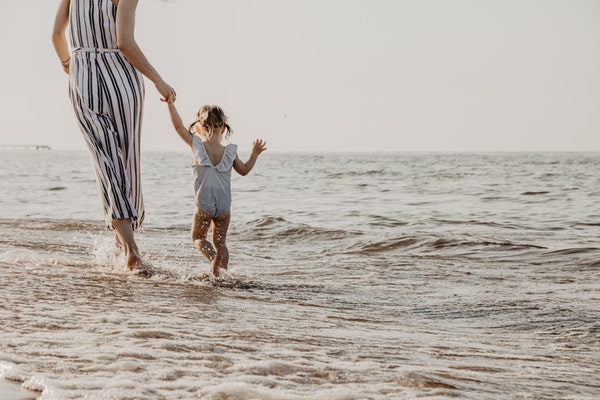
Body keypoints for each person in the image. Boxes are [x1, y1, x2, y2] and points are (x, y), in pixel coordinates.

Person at [52, 0, 176, 269]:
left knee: (105, 159)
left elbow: (56, 35)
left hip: (83, 76)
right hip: (122, 81)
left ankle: (126, 246)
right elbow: (125, 44)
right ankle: (129, 245)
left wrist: (68, 63)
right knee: (126, 159)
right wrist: (158, 80)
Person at [165, 100, 267, 277]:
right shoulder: (230, 151)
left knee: (198, 238)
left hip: (204, 202)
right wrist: (254, 154)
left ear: (198, 128)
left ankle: (213, 259)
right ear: (223, 129)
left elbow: (179, 128)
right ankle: (222, 274)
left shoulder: (197, 145)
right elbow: (243, 170)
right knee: (221, 243)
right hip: (224, 205)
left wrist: (170, 104)